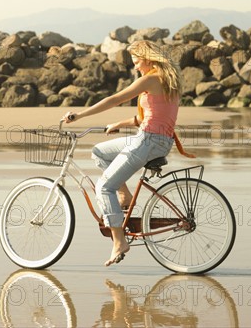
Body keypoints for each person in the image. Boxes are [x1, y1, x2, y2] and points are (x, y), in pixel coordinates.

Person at [61, 40, 182, 267]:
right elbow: (149, 117)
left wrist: (80, 115)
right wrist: (120, 122)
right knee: (99, 152)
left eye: (137, 62)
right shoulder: (169, 82)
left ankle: (119, 240)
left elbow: (115, 99)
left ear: (148, 59)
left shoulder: (150, 79)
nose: (136, 67)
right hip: (156, 140)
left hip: (147, 141)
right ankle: (124, 195)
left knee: (104, 187)